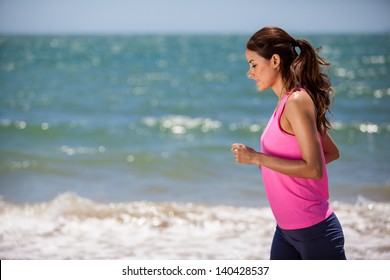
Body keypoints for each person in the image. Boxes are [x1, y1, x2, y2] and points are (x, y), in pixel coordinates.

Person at [231, 26, 346, 260]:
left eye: (253, 64)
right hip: (285, 232)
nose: (250, 73)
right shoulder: (285, 102)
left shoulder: (297, 100)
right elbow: (330, 153)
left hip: (315, 232)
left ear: (274, 60)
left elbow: (315, 168)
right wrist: (275, 167)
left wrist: (258, 158)